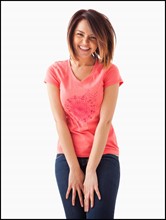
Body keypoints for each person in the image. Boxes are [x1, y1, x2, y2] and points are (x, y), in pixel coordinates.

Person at [44, 9, 123, 219]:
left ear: (100, 41)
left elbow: (105, 122)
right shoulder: (55, 71)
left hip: (104, 156)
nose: (85, 42)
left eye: (92, 37)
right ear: (71, 34)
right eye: (80, 34)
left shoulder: (109, 71)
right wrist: (74, 168)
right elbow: (59, 121)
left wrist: (90, 172)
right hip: (67, 158)